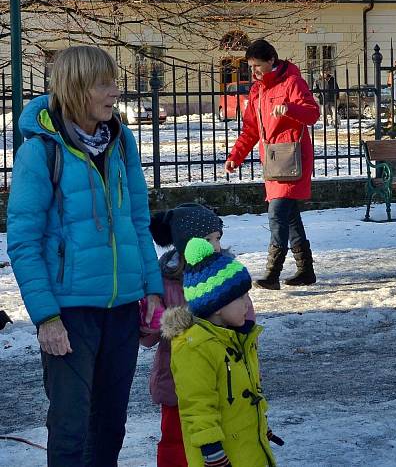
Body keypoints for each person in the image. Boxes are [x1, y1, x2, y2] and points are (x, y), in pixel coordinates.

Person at [7, 45, 164, 466]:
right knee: (71, 426)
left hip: (122, 308)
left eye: (115, 81)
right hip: (70, 312)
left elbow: (137, 221)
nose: (116, 91)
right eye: (105, 83)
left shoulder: (120, 140)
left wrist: (150, 289)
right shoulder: (40, 151)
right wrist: (46, 316)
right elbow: (23, 240)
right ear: (78, 89)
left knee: (110, 425)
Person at [140, 203, 257, 467]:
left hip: (225, 378)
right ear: (187, 243)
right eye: (208, 239)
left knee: (225, 433)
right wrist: (154, 316)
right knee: (175, 440)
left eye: (218, 238)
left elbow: (246, 316)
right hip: (176, 381)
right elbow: (148, 337)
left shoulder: (226, 272)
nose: (215, 246)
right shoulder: (165, 280)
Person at [162, 238, 277, 467]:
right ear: (217, 306)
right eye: (241, 297)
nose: (248, 304)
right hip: (220, 458)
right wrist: (212, 452)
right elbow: (197, 406)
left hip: (249, 448)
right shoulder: (194, 347)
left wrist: (260, 424)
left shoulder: (240, 338)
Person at [224, 39, 321, 291]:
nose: (253, 71)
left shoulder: (293, 82)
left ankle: (272, 272)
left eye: (257, 66)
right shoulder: (257, 91)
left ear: (271, 61)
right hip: (273, 158)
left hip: (293, 155)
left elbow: (312, 113)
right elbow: (251, 130)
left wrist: (289, 108)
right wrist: (236, 156)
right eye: (250, 66)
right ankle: (305, 271)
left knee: (277, 212)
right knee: (289, 216)